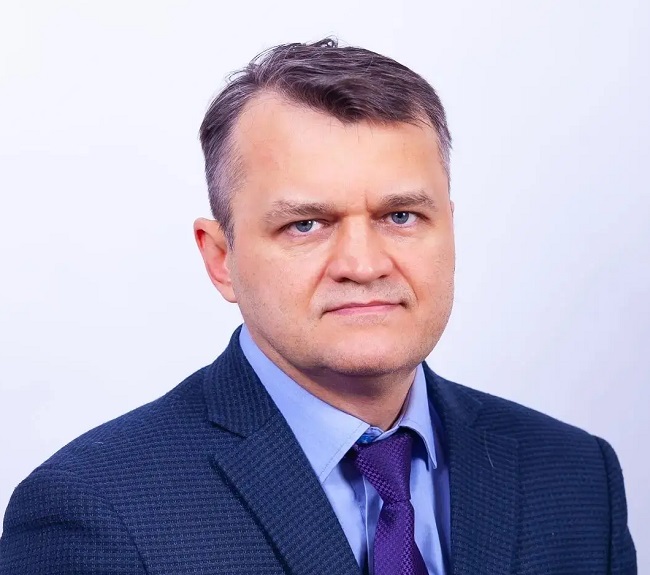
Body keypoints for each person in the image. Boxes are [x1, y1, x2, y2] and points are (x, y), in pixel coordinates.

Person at [0, 38, 636, 575]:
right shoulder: (93, 513)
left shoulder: (578, 477)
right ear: (220, 258)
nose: (363, 264)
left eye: (401, 215)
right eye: (305, 224)